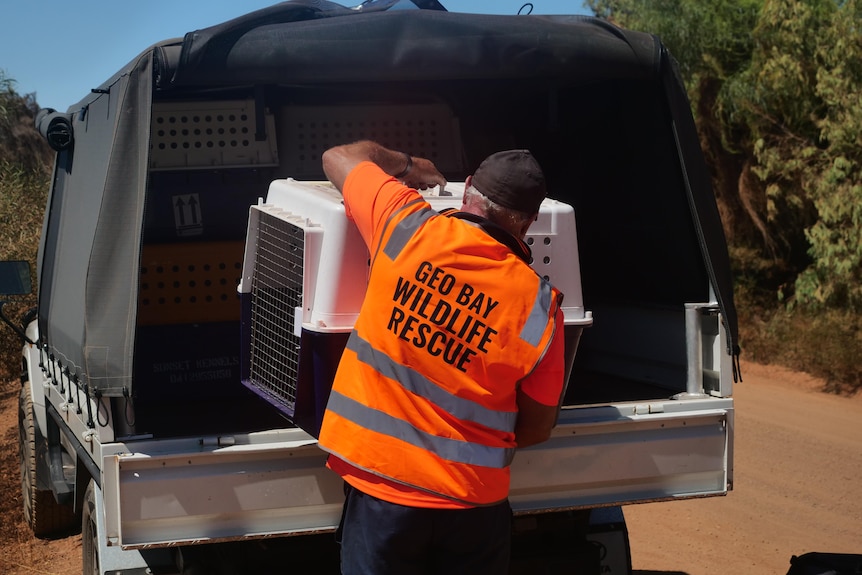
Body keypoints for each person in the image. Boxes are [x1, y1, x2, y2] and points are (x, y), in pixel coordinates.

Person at [317, 140, 566, 575]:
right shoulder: (541, 310)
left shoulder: (405, 223)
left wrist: (409, 165)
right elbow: (536, 427)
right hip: (476, 507)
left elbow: (337, 157)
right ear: (529, 222)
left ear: (467, 188)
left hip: (384, 492)